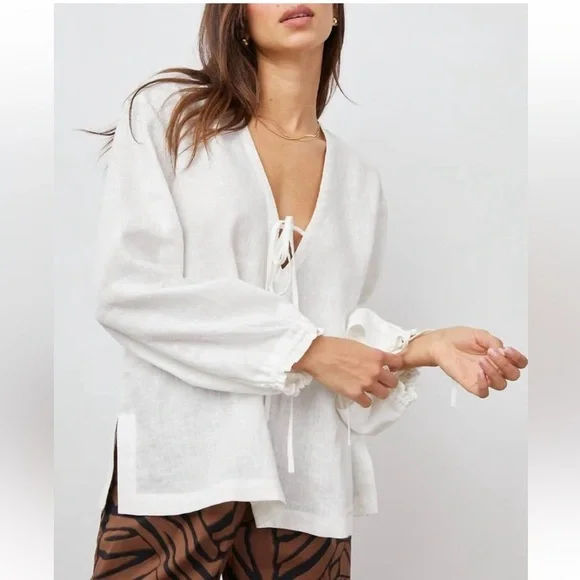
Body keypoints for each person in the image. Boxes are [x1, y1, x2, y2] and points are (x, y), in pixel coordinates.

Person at [89, 4, 528, 579]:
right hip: (185, 471)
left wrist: (422, 347)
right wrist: (306, 350)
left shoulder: (358, 181)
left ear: (336, 14)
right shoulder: (171, 118)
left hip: (307, 494)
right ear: (236, 16)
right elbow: (130, 289)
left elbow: (335, 335)